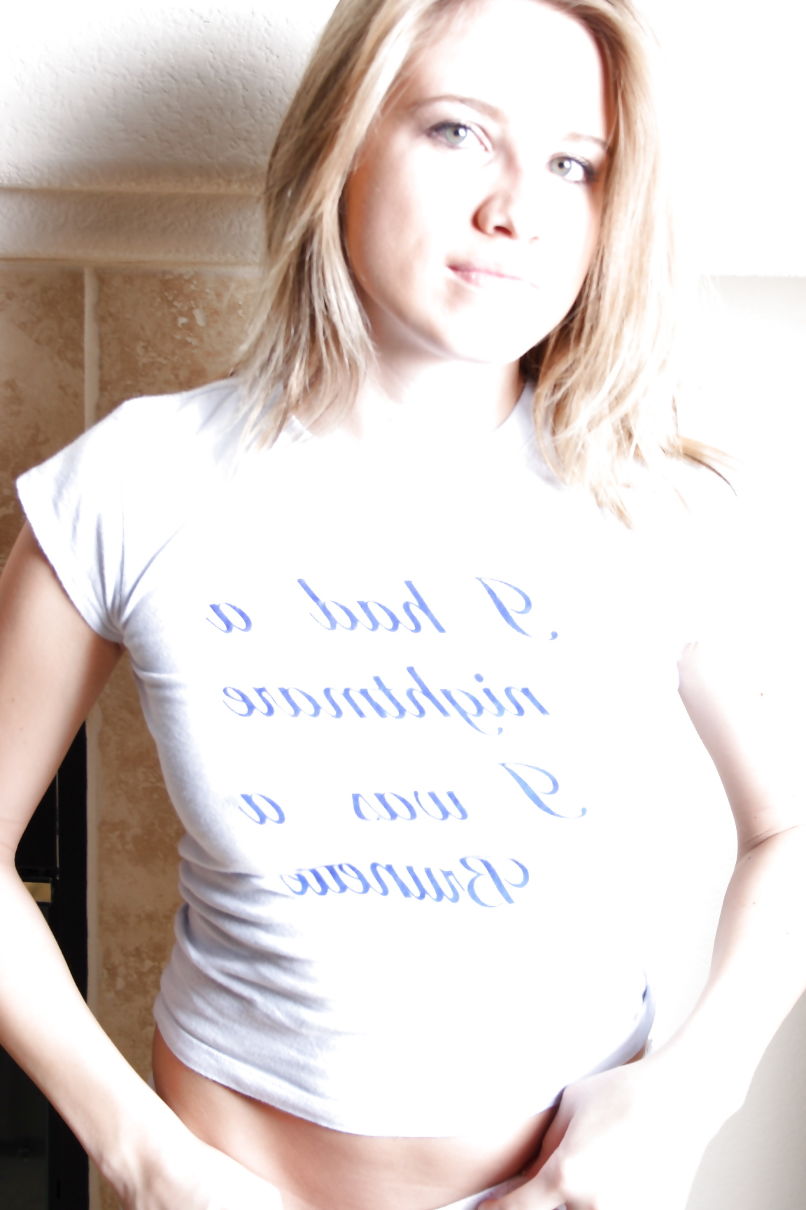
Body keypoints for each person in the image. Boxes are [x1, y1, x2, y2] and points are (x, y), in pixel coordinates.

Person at [0, 0, 803, 1208]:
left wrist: (687, 1101)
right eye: (455, 132)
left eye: (572, 164)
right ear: (342, 141)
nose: (515, 210)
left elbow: (789, 830)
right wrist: (144, 1159)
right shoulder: (135, 482)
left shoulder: (655, 508)